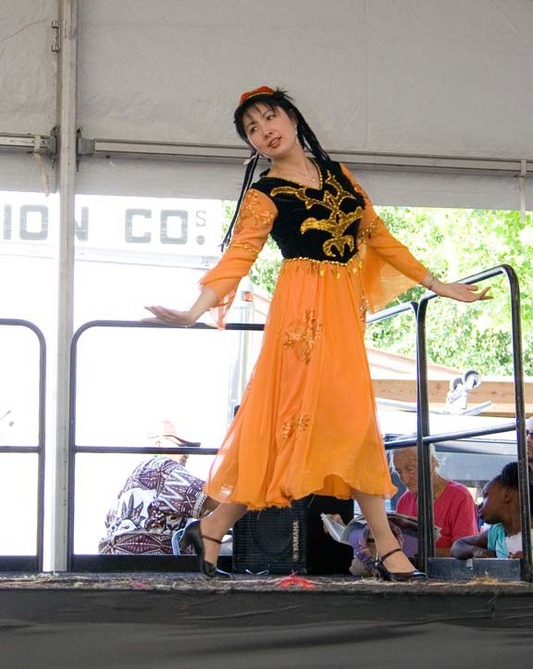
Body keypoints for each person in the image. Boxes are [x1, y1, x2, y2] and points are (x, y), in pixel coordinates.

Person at [144, 85, 490, 581]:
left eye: (270, 117)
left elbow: (380, 236)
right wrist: (193, 310)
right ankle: (388, 548)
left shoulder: (338, 174)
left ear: (292, 117)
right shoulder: (264, 194)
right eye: (252, 129)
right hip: (300, 316)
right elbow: (238, 257)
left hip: (342, 313)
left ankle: (214, 526)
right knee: (293, 429)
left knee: (352, 423)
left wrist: (438, 285)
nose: (265, 131)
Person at [99, 419, 218, 555]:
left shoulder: (127, 483)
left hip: (116, 563)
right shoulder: (164, 469)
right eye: (181, 445)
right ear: (158, 444)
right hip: (154, 562)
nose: (187, 453)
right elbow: (213, 500)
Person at [390, 444, 479, 557]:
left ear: (431, 463)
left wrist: (417, 552)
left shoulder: (459, 496)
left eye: (410, 469)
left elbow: (466, 551)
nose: (405, 479)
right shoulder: (404, 501)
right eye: (399, 472)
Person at [451, 462, 533, 559]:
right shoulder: (496, 533)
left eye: (486, 495)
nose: (479, 505)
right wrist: (475, 550)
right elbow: (457, 546)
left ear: (506, 495)